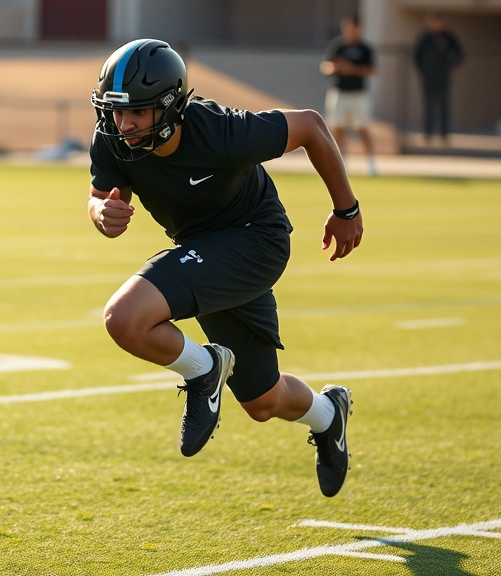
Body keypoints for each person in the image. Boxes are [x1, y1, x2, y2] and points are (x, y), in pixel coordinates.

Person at [89, 39, 363, 497]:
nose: (124, 124)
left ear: (171, 106)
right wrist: (101, 213)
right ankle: (329, 414)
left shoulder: (220, 130)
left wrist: (347, 210)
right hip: (207, 251)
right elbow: (101, 198)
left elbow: (312, 127)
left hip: (257, 239)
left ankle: (203, 370)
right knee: (262, 400)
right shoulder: (115, 139)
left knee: (124, 318)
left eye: (137, 112)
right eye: (116, 111)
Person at [321, 14, 377, 176]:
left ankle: (371, 163)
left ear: (358, 29)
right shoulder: (337, 46)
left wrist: (351, 69)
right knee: (338, 128)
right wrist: (337, 67)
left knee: (363, 128)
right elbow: (326, 66)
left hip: (358, 94)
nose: (350, 31)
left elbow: (371, 70)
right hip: (339, 93)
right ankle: (342, 163)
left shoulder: (365, 48)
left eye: (353, 28)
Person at [414, 11, 464, 145]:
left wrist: (453, 66)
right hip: (428, 77)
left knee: (444, 106)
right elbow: (416, 57)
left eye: (437, 21)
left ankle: (444, 135)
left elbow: (459, 53)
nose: (435, 24)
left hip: (443, 77)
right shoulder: (425, 37)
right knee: (429, 106)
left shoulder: (448, 37)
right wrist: (421, 72)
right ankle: (428, 134)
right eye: (432, 21)